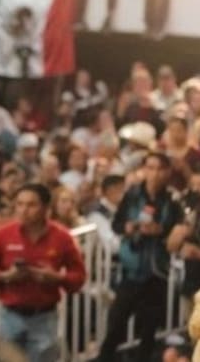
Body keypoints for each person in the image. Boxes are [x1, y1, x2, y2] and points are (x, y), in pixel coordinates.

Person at [0, 183, 87, 362]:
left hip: (45, 316)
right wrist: (6, 276)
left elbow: (79, 276)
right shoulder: (3, 234)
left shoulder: (62, 237)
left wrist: (56, 277)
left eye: (31, 205)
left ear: (46, 208)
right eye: (19, 204)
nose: (24, 210)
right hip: (9, 315)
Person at [96, 152, 183, 362]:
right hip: (132, 269)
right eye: (150, 168)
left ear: (167, 172)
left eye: (159, 169)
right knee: (117, 323)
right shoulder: (133, 195)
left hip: (157, 270)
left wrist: (160, 231)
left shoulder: (172, 199)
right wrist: (129, 227)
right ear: (143, 169)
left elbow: (177, 230)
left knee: (149, 329)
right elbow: (117, 224)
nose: (155, 174)